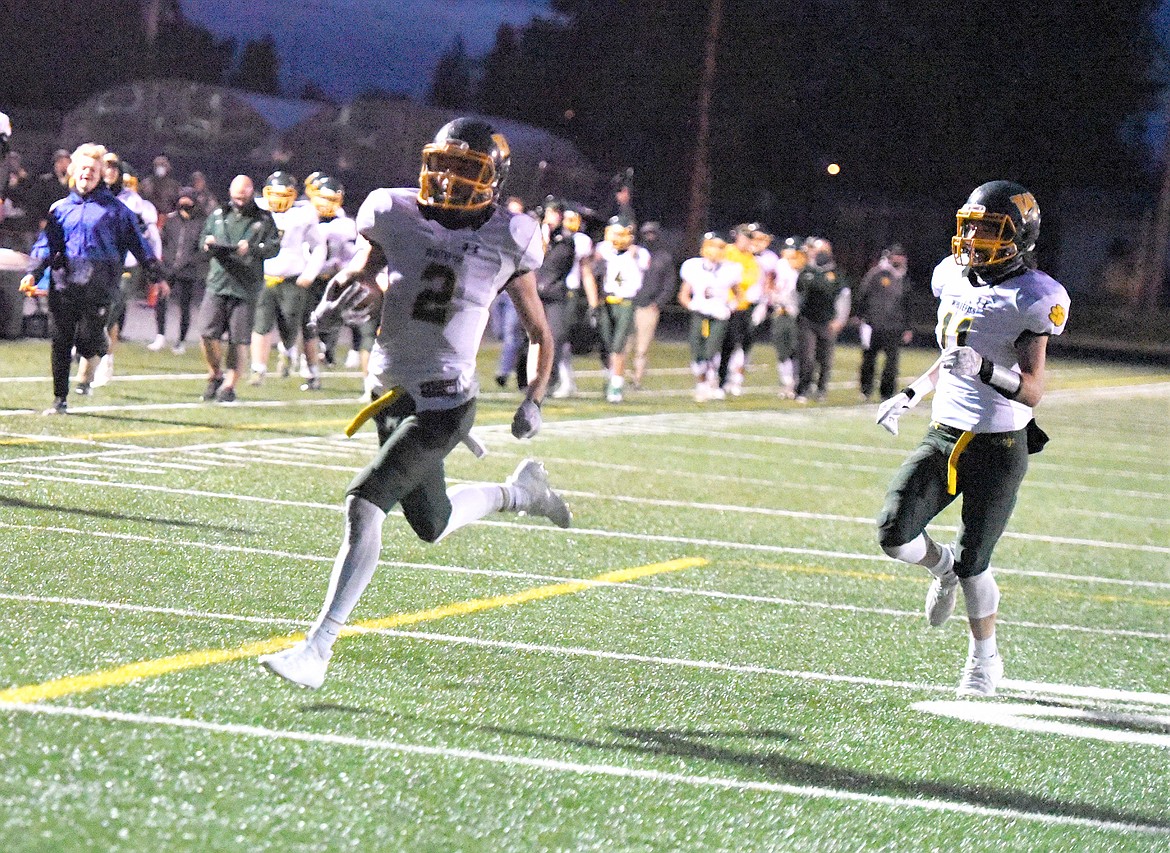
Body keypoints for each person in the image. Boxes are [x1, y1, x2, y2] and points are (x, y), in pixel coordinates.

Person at [258, 117, 571, 690]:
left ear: (493, 180)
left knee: (363, 504)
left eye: (465, 169)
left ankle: (317, 649)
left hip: (445, 405)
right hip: (388, 393)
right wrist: (334, 307)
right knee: (432, 523)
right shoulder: (391, 209)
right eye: (443, 163)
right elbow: (364, 277)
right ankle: (521, 493)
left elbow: (538, 333)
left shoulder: (514, 234)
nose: (449, 178)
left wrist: (534, 399)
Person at [874, 180, 1070, 697]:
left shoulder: (1035, 297)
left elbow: (1031, 392)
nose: (974, 238)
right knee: (894, 534)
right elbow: (952, 353)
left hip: (1000, 446)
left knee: (975, 562)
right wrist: (911, 394)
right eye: (971, 226)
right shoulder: (951, 277)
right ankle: (941, 569)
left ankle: (985, 661)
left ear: (1019, 237)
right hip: (944, 434)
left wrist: (985, 369)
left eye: (988, 229)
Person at [21, 143, 166, 415]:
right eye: (83, 167)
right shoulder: (60, 208)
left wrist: (154, 273)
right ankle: (59, 399)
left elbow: (138, 243)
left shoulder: (116, 210)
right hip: (64, 282)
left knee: (88, 340)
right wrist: (33, 273)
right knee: (62, 340)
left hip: (99, 284)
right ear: (74, 171)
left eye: (93, 169)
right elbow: (45, 245)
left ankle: (99, 342)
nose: (87, 172)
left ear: (101, 175)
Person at [195, 175, 281, 402]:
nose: (239, 201)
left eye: (243, 197)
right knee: (206, 332)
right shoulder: (218, 214)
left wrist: (251, 249)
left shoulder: (263, 218)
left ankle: (229, 386)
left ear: (251, 192)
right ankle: (215, 373)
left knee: (238, 339)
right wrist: (207, 243)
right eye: (235, 197)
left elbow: (273, 248)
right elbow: (202, 241)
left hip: (246, 286)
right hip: (218, 282)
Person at [249, 171, 325, 385]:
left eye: (285, 194)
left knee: (291, 326)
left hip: (293, 278)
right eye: (275, 194)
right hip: (264, 276)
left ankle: (288, 350)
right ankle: (258, 369)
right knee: (260, 324)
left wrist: (310, 273)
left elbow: (318, 246)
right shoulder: (257, 209)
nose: (279, 199)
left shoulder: (304, 214)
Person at [583, 215, 649, 402]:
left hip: (626, 302)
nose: (617, 238)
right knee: (606, 345)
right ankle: (610, 377)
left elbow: (643, 266)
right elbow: (590, 267)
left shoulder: (639, 254)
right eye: (614, 233)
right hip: (606, 302)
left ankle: (617, 384)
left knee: (618, 345)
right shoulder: (603, 250)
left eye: (621, 233)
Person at [301, 174, 357, 390]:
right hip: (308, 279)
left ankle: (328, 352)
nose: (326, 204)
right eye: (323, 198)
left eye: (331, 200)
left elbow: (350, 255)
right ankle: (313, 373)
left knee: (331, 321)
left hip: (332, 279)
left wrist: (343, 269)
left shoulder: (345, 224)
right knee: (308, 325)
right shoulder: (303, 217)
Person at [677, 232, 741, 401]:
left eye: (719, 247)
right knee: (697, 352)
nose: (715, 251)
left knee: (711, 351)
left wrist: (730, 307)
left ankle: (710, 383)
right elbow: (683, 294)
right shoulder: (693, 267)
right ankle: (702, 383)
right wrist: (692, 305)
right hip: (699, 314)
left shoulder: (730, 269)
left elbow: (738, 294)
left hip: (719, 316)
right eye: (712, 246)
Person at [525, 199, 576, 397]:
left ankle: (549, 378)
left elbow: (559, 264)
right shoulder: (535, 234)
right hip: (534, 293)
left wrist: (547, 239)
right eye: (550, 212)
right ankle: (530, 379)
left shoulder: (565, 240)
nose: (553, 217)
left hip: (554, 294)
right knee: (530, 338)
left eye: (556, 213)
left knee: (555, 335)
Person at [150, 187, 208, 354]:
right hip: (168, 269)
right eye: (182, 200)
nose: (185, 203)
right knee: (161, 302)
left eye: (188, 200)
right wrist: (164, 267)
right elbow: (163, 243)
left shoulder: (201, 223)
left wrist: (187, 262)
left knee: (184, 306)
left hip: (188, 271)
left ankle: (181, 341)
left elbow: (200, 250)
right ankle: (160, 336)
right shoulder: (171, 220)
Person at [794, 237, 850, 403]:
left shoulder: (837, 274)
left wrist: (839, 320)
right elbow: (796, 294)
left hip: (828, 322)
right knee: (807, 358)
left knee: (825, 359)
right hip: (807, 321)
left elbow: (844, 298)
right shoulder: (806, 272)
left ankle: (821, 389)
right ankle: (802, 389)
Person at [855, 243, 913, 402]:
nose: (899, 259)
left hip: (894, 327)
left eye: (901, 256)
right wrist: (861, 317)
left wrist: (908, 327)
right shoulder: (877, 274)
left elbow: (907, 304)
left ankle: (886, 393)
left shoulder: (903, 277)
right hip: (873, 324)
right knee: (868, 360)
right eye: (896, 256)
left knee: (891, 364)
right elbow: (863, 294)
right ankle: (865, 389)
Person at [627, 220, 676, 389]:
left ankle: (637, 379)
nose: (649, 237)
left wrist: (658, 303)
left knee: (642, 347)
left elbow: (669, 284)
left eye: (652, 233)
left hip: (648, 307)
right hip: (628, 304)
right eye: (646, 233)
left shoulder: (664, 258)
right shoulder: (633, 253)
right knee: (624, 345)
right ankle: (620, 377)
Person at [553, 205, 594, 398]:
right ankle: (557, 379)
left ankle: (565, 380)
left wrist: (593, 302)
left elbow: (586, 273)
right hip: (550, 289)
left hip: (568, 291)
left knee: (560, 338)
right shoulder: (551, 236)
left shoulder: (581, 241)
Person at [719, 224, 762, 395]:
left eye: (748, 239)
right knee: (718, 344)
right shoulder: (727, 251)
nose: (745, 242)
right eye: (744, 238)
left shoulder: (751, 259)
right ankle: (715, 379)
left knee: (733, 345)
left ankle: (727, 380)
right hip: (722, 305)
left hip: (740, 308)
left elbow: (749, 280)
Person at [768, 235, 803, 398]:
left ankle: (796, 383)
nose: (789, 256)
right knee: (781, 349)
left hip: (797, 313)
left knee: (796, 349)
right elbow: (770, 281)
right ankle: (786, 382)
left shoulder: (804, 268)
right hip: (780, 311)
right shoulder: (779, 265)